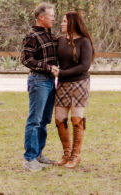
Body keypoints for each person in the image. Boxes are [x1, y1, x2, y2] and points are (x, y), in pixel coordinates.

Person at [20, 2, 59, 172]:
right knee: (34, 120)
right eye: (51, 16)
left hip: (50, 81)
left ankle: (38, 154)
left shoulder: (49, 35)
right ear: (41, 17)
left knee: (44, 120)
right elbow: (26, 59)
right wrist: (48, 68)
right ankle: (29, 159)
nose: (54, 18)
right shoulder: (32, 36)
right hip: (38, 80)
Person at [53, 11, 94, 169]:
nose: (61, 24)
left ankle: (76, 156)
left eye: (64, 21)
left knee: (76, 119)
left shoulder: (84, 42)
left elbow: (85, 66)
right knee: (59, 119)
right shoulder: (60, 41)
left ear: (72, 23)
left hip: (79, 83)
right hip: (62, 84)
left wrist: (61, 72)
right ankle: (66, 154)